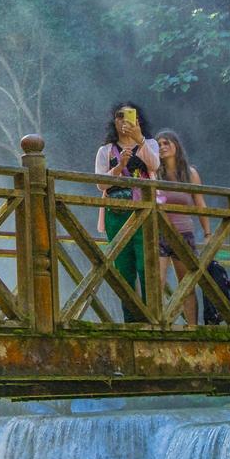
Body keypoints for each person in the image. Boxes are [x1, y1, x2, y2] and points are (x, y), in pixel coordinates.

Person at [94, 102, 160, 323]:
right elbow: (101, 185)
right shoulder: (105, 150)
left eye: (129, 116)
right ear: (114, 121)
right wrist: (119, 165)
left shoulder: (149, 144)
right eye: (119, 116)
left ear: (138, 119)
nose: (124, 120)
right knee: (124, 269)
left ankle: (152, 318)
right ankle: (131, 321)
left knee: (146, 264)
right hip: (116, 213)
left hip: (145, 211)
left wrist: (139, 139)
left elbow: (155, 165)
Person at [155, 129, 211, 327]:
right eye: (159, 144)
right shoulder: (155, 173)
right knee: (157, 281)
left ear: (175, 145)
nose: (162, 147)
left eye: (166, 143)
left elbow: (199, 203)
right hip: (160, 233)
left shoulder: (190, 173)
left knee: (186, 283)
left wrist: (207, 232)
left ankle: (192, 327)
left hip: (184, 233)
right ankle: (159, 324)